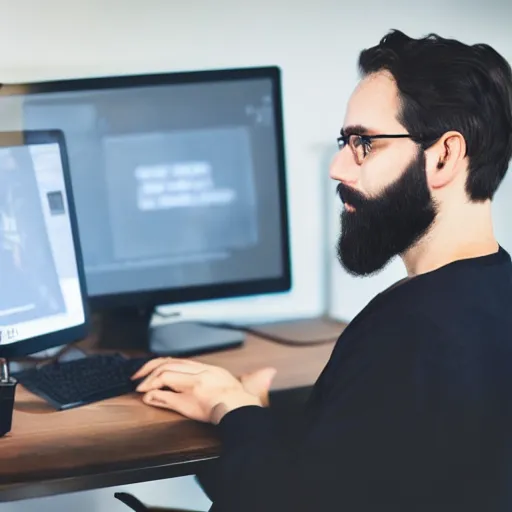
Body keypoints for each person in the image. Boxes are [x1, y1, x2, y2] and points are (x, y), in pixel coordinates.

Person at [132, 30, 512, 511]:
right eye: (344, 142)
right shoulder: (494, 294)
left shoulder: (409, 331)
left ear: (444, 155)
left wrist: (232, 407)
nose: (337, 167)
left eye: (364, 144)